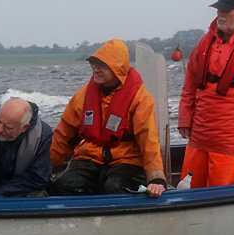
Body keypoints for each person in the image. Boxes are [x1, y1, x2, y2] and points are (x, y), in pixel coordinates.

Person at [51, 39, 167, 198]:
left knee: (116, 189)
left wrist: (156, 178)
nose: (96, 70)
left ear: (118, 69)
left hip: (127, 160)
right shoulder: (83, 96)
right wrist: (42, 170)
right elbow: (64, 137)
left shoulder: (140, 99)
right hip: (89, 157)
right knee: (64, 186)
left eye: (102, 66)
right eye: (93, 64)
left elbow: (149, 140)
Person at [178, 0, 234, 188]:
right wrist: (185, 119)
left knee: (219, 194)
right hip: (198, 138)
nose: (220, 14)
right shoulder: (205, 42)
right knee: (186, 190)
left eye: (227, 11)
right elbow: (189, 85)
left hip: (229, 143)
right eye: (219, 9)